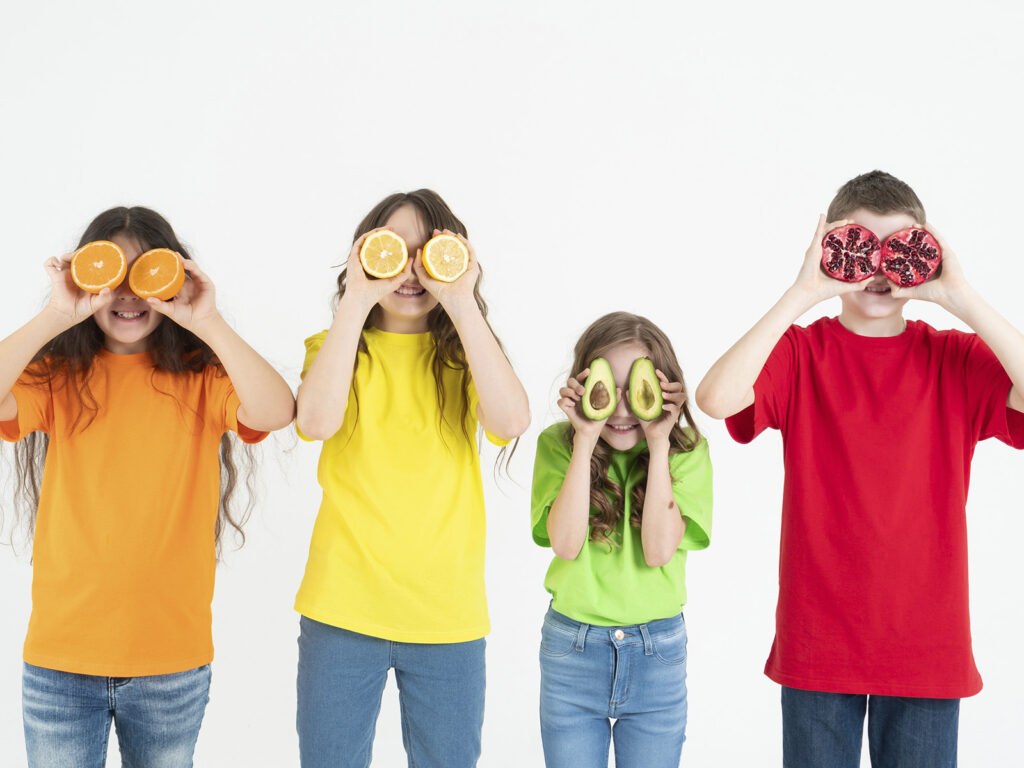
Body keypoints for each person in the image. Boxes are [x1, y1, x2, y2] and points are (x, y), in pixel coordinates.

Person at [695, 170, 1024, 767]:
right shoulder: (800, 353)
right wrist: (803, 292)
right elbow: (716, 399)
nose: (878, 267)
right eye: (860, 246)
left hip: (926, 644)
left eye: (899, 249)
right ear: (829, 248)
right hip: (819, 639)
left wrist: (960, 296)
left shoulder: (954, 359)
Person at [0, 206, 295, 767]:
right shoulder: (57, 375)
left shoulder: (203, 375)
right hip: (62, 659)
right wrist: (56, 314)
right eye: (111, 274)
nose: (129, 293)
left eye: (146, 273)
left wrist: (208, 321)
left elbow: (276, 411)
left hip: (170, 662)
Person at [294, 189, 530, 768]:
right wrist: (357, 299)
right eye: (392, 250)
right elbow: (315, 422)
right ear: (363, 256)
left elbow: (510, 421)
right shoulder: (335, 348)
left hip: (447, 613)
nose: (411, 269)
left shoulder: (466, 356)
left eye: (430, 253)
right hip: (342, 607)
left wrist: (463, 302)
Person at [531, 311, 712, 768]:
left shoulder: (686, 452)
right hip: (572, 648)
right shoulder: (558, 444)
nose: (622, 409)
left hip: (657, 652)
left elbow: (658, 551)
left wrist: (659, 443)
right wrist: (585, 438)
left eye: (639, 390)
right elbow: (566, 544)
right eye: (607, 390)